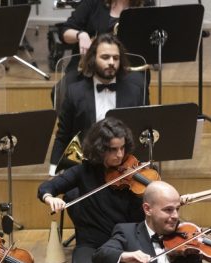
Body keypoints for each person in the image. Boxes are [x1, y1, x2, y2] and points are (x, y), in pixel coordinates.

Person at [40, 118, 144, 263]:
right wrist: (50, 198)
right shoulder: (83, 172)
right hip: (91, 247)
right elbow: (47, 187)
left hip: (124, 245)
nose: (119, 155)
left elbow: (140, 219)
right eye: (113, 150)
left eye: (122, 148)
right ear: (100, 149)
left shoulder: (132, 175)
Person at [49, 33, 149, 172]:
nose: (111, 62)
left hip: (124, 169)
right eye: (105, 57)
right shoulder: (75, 92)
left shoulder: (134, 91)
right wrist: (53, 170)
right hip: (86, 167)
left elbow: (142, 134)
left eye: (116, 58)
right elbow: (63, 135)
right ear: (92, 59)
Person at [59, 0, 154, 54]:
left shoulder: (146, 4)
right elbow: (65, 31)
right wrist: (81, 35)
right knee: (71, 86)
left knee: (137, 84)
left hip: (128, 67)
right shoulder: (93, 2)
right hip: (91, 65)